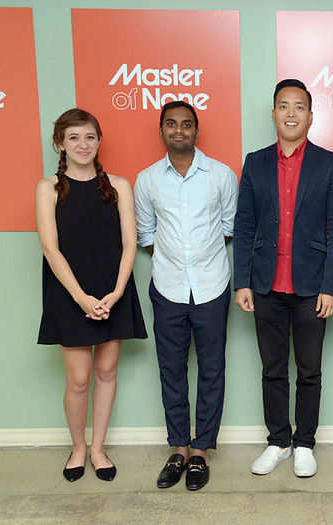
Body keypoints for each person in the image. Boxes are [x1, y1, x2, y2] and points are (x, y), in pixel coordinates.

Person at [233, 79, 333, 478]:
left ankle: (305, 442)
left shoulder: (330, 164)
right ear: (273, 114)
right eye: (283, 106)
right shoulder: (255, 162)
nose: (291, 113)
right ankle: (278, 441)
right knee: (272, 368)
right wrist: (242, 281)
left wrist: (331, 286)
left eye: (299, 106)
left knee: (310, 369)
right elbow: (244, 225)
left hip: (311, 287)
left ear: (311, 116)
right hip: (265, 285)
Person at [36, 108, 147, 483]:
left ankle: (98, 448)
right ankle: (78, 448)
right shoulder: (47, 188)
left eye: (89, 137)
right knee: (79, 379)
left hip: (112, 289)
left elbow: (130, 243)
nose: (83, 144)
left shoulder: (119, 185)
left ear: (99, 141)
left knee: (106, 371)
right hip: (70, 292)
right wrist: (82, 298)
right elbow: (51, 249)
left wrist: (115, 293)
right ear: (60, 144)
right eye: (73, 138)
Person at [134, 100, 238, 491]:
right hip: (167, 287)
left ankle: (201, 453)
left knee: (212, 369)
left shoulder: (221, 175)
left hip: (212, 285)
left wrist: (199, 258)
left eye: (187, 125)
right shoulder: (147, 180)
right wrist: (176, 261)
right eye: (172, 124)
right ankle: (178, 449)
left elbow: (229, 227)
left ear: (197, 130)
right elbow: (146, 235)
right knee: (171, 370)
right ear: (162, 130)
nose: (179, 130)